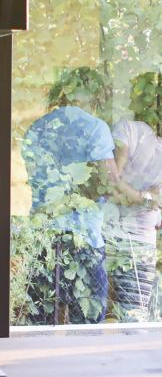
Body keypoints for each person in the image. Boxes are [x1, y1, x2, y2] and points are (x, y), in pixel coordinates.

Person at [21, 67, 117, 324]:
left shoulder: (37, 128)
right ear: (95, 95)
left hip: (43, 236)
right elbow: (109, 184)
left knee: (39, 327)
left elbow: (34, 178)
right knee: (87, 327)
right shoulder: (95, 128)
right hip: (84, 238)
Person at [103, 119, 162, 320]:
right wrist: (147, 199)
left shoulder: (127, 129)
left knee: (98, 314)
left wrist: (134, 194)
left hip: (111, 235)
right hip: (136, 240)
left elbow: (114, 181)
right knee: (133, 316)